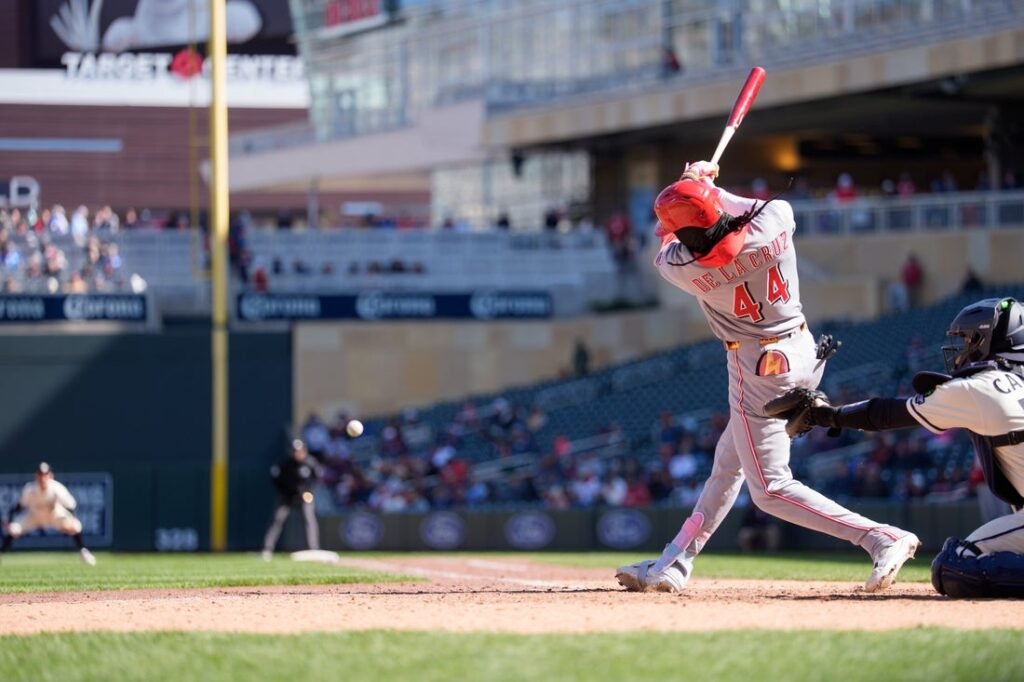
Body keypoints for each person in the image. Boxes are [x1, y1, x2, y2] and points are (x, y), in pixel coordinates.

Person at [615, 160, 919, 594]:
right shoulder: (773, 223)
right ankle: (675, 560)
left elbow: (665, 240)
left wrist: (692, 185)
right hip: (802, 348)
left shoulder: (684, 267)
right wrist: (707, 186)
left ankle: (879, 537)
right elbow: (757, 207)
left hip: (757, 368)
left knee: (770, 488)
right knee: (727, 466)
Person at [770, 297, 1024, 598]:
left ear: (987, 340)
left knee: (953, 565)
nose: (962, 348)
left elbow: (887, 413)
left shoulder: (980, 386)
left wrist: (827, 414)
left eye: (968, 339)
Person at [1, 462, 96, 565]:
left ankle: (83, 552)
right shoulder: (30, 488)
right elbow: (20, 506)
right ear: (36, 476)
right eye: (40, 474)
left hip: (53, 514)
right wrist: (10, 519)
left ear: (50, 475)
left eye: (45, 474)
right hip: (34, 516)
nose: (43, 477)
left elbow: (71, 505)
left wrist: (71, 518)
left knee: (75, 526)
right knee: (13, 529)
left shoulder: (56, 488)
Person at [261, 439, 322, 561]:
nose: (297, 454)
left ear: (304, 451)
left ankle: (313, 548)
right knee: (277, 520)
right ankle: (267, 549)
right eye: (295, 451)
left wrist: (309, 492)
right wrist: (286, 493)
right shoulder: (285, 465)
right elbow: (277, 481)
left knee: (309, 519)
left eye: (299, 451)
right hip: (287, 497)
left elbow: (317, 479)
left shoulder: (310, 463)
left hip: (304, 497)